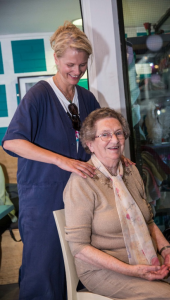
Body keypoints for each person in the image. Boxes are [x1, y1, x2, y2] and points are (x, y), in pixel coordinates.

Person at [2, 21, 101, 300]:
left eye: (82, 65)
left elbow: (96, 141)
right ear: (56, 58)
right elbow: (12, 142)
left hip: (80, 196)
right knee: (43, 270)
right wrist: (62, 161)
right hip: (43, 197)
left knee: (79, 266)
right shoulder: (39, 94)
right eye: (70, 64)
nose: (77, 71)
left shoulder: (87, 98)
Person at [64, 107, 170, 300]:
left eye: (118, 133)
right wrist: (133, 271)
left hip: (144, 258)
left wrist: (166, 250)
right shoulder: (81, 182)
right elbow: (78, 248)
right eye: (105, 135)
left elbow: (148, 222)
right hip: (102, 270)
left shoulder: (131, 172)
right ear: (90, 144)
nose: (114, 140)